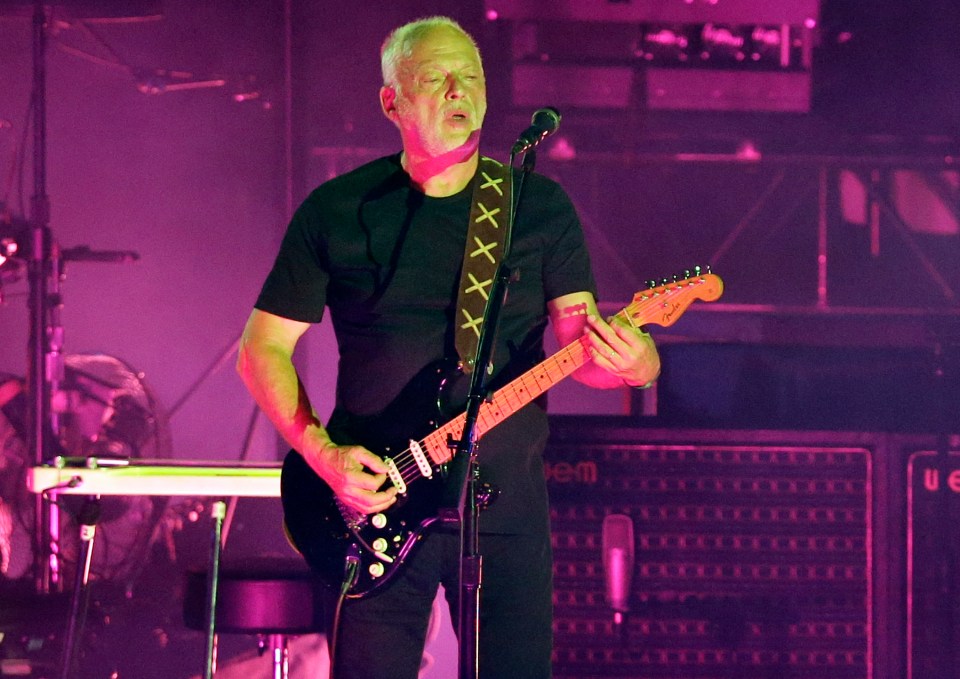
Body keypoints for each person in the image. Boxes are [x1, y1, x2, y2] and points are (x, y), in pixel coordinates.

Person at [236, 15, 660, 679]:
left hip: (503, 509)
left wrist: (637, 366)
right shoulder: (337, 210)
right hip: (373, 500)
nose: (458, 90)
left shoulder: (535, 207)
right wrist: (323, 456)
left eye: (471, 77)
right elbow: (261, 350)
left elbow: (584, 349)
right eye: (435, 78)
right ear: (392, 101)